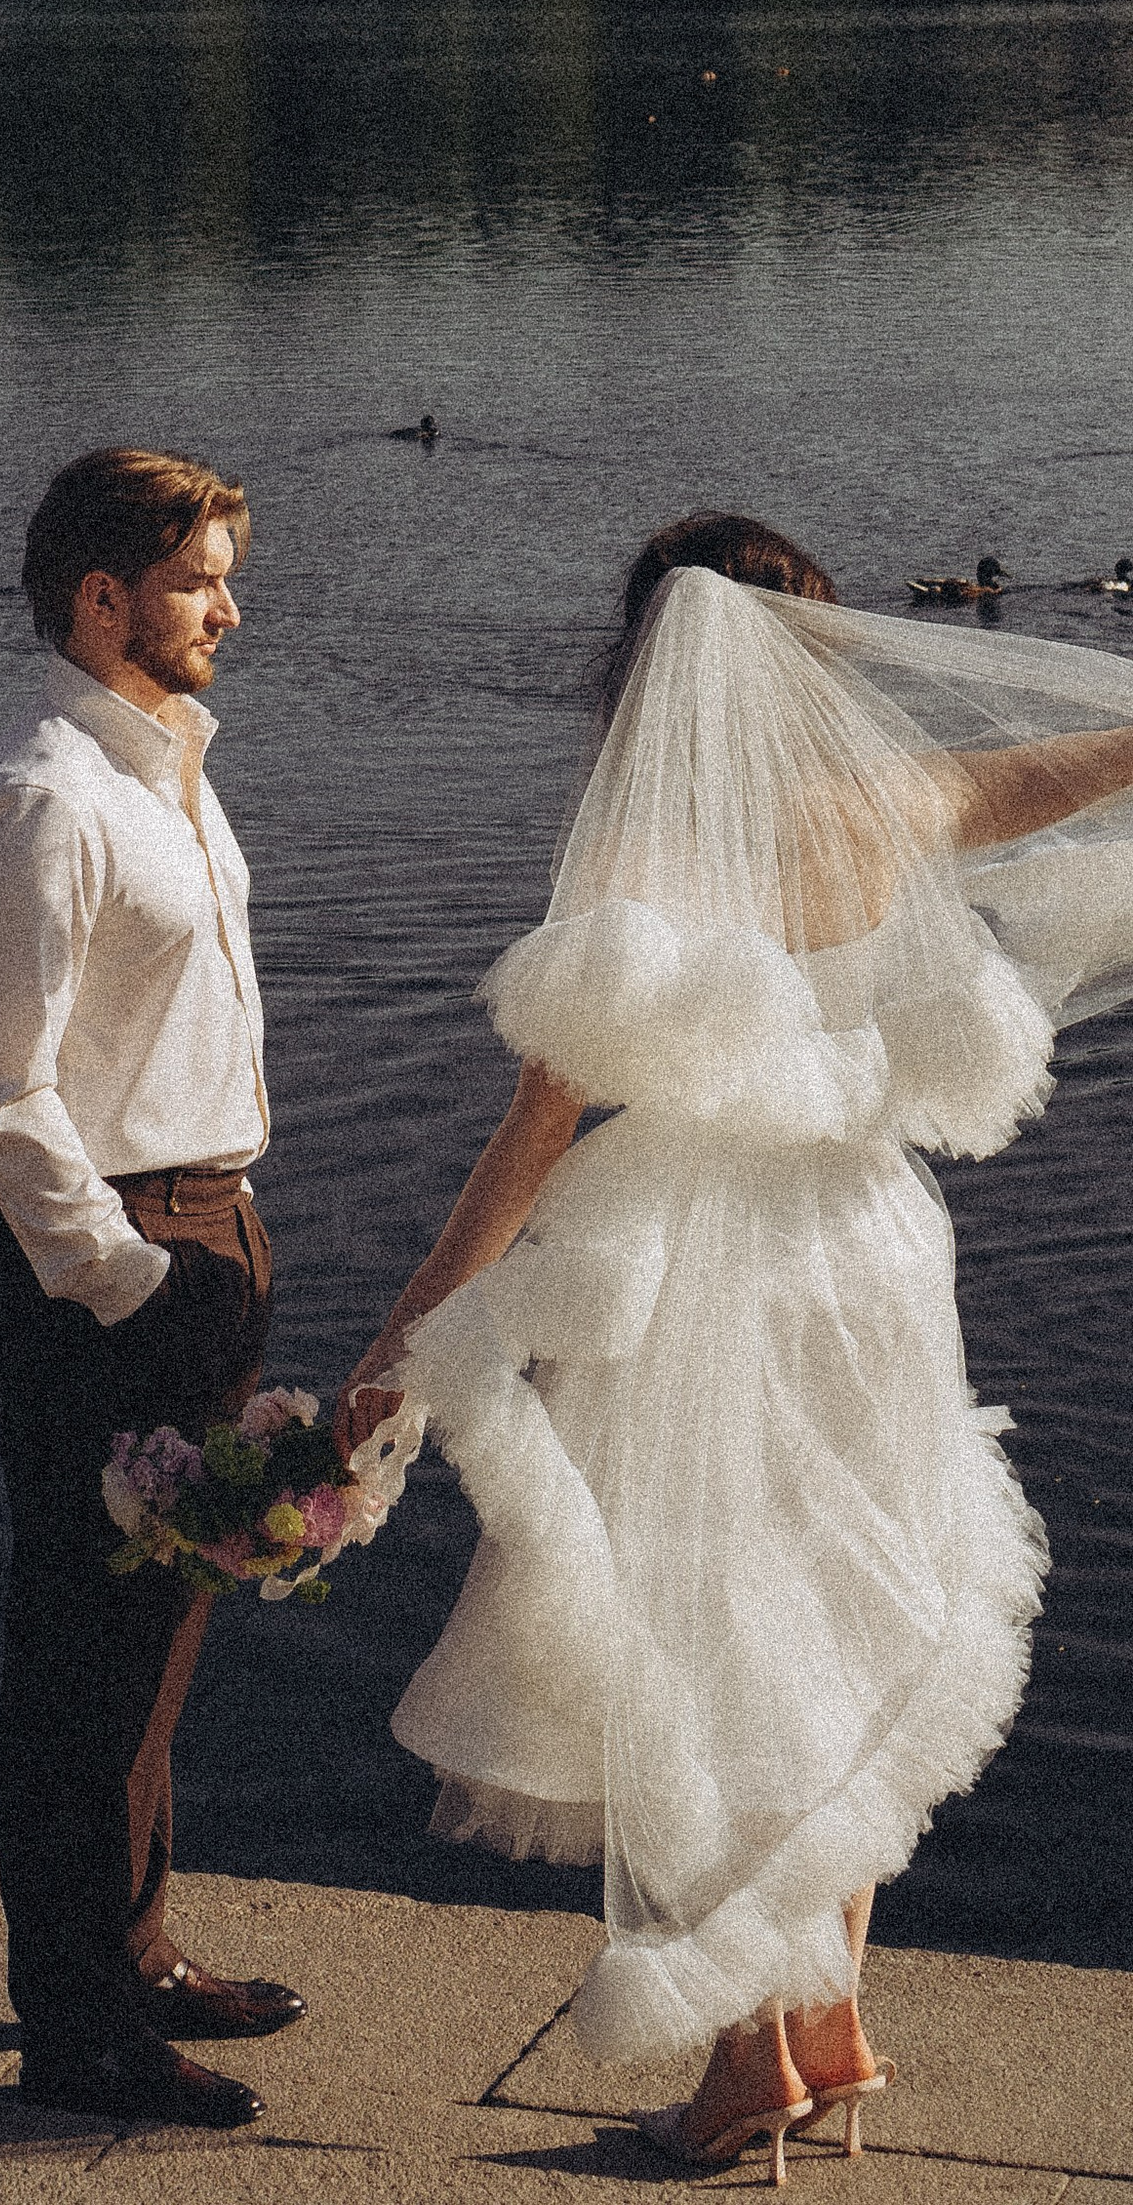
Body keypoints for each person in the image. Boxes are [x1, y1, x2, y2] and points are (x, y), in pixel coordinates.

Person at [339, 512, 1133, 2181]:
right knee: (858, 1615)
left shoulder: (648, 855)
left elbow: (541, 1124)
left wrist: (409, 1333)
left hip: (702, 1276)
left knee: (705, 1647)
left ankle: (744, 2068)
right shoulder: (911, 800)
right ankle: (828, 2020)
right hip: (874, 1253)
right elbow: (1104, 765)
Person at [0, 446, 303, 2131]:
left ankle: (136, 1955)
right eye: (197, 581)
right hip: (111, 1257)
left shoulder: (169, 770)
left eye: (225, 574)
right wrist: (124, 1278)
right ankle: (73, 2024)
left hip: (206, 1229)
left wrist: (203, 1256)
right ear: (104, 599)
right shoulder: (48, 799)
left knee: (162, 1629)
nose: (229, 606)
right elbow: (5, 1099)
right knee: (82, 1644)